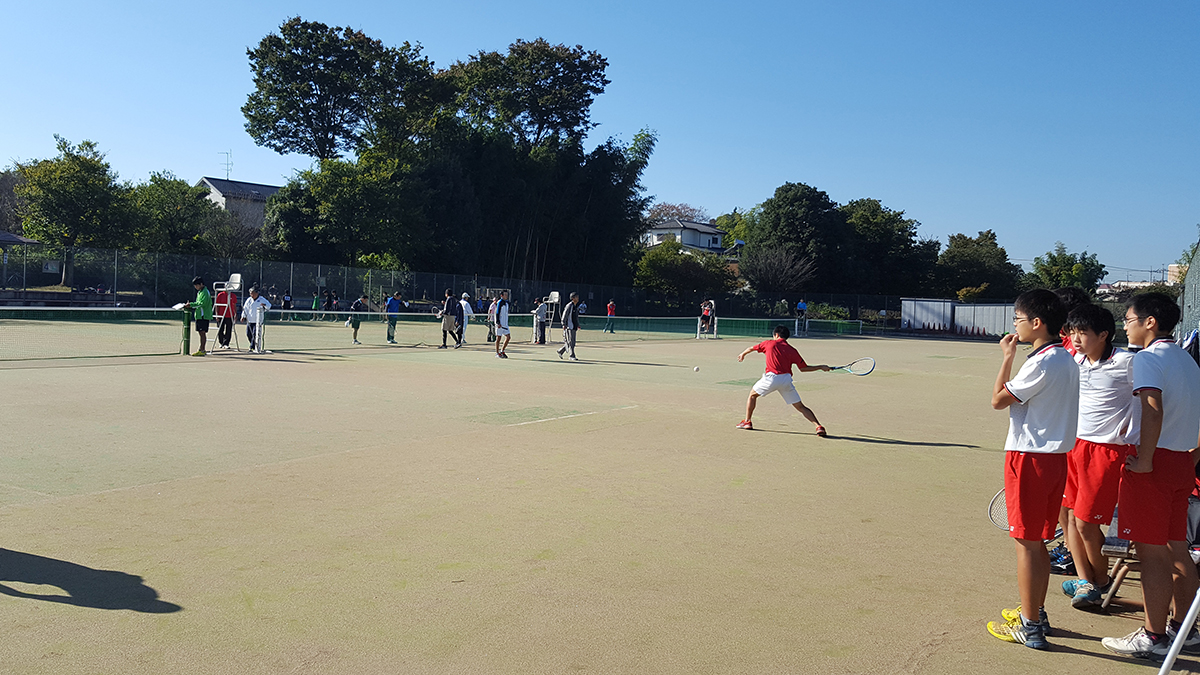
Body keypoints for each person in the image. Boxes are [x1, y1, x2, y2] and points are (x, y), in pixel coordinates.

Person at [1101, 293, 1200, 660]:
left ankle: (1153, 636)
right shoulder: (1188, 363)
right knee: (1177, 549)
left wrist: (1144, 460)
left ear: (1149, 323)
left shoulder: (1148, 359)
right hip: (1179, 464)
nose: (1125, 325)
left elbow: (1152, 410)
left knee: (1152, 554)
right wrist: (1191, 456)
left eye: (1128, 319)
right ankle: (1182, 629)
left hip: (1153, 463)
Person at [986, 289, 1077, 650]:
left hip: (1030, 457)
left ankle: (1031, 625)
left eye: (1018, 319)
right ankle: (1035, 612)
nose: (1015, 326)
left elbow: (997, 399)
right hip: (1054, 459)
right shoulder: (1066, 358)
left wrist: (1007, 358)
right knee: (1036, 541)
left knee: (1027, 544)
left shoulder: (1042, 362)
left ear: (1036, 323)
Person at [1057, 304, 1138, 609]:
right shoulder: (1075, 360)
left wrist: (1135, 435)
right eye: (1073, 331)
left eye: (1083, 333)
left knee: (1087, 523)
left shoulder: (1127, 362)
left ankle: (1099, 583)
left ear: (1104, 334)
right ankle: (1085, 581)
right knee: (1068, 518)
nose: (1076, 338)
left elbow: (1151, 401)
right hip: (1073, 446)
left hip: (1107, 451)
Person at [735, 324, 830, 434]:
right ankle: (818, 426)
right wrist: (821, 367)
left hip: (771, 378)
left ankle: (747, 421)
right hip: (786, 380)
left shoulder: (768, 343)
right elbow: (804, 368)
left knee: (752, 395)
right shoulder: (792, 350)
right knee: (800, 406)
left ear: (776, 335)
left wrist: (743, 354)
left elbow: (751, 348)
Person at [185, 276, 214, 356]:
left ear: (201, 284)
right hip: (199, 316)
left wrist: (190, 304)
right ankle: (201, 349)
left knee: (202, 333)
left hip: (203, 316)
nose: (196, 287)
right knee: (201, 333)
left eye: (197, 285)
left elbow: (201, 303)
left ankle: (202, 350)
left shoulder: (205, 292)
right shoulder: (200, 292)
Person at [241, 286, 272, 353]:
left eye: (252, 293)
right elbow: (245, 308)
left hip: (258, 320)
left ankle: (251, 347)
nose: (251, 294)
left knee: (255, 334)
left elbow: (269, 306)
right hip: (250, 320)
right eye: (250, 293)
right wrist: (243, 316)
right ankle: (254, 344)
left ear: (256, 293)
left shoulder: (262, 299)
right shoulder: (249, 300)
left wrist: (264, 305)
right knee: (248, 334)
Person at [557, 292, 581, 361]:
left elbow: (575, 317)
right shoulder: (569, 306)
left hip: (574, 326)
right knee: (571, 342)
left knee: (571, 341)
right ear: (573, 298)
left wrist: (578, 324)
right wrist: (563, 324)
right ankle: (572, 355)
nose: (578, 298)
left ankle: (561, 351)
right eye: (576, 297)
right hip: (569, 326)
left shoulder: (575, 306)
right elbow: (564, 315)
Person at [494, 290, 511, 359]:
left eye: (507, 295)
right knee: (498, 338)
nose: (506, 296)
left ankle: (502, 351)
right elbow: (497, 313)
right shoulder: (500, 302)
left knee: (508, 337)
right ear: (501, 295)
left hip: (505, 324)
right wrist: (498, 322)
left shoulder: (506, 303)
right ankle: (497, 353)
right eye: (505, 295)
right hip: (500, 324)